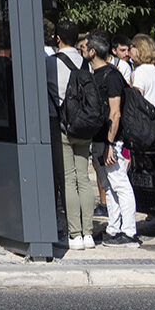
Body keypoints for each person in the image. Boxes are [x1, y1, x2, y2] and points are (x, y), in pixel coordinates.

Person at [84, 32, 139, 247]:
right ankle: (114, 228)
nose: (83, 49)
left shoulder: (111, 76)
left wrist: (110, 144)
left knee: (120, 185)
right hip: (100, 139)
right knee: (108, 186)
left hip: (112, 141)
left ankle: (129, 232)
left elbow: (115, 113)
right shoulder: (95, 75)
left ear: (93, 51)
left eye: (86, 46)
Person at [48, 22, 99, 250]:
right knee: (83, 179)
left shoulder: (49, 63)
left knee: (68, 180)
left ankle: (74, 234)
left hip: (63, 127)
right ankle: (89, 234)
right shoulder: (84, 62)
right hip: (84, 127)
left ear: (58, 38)